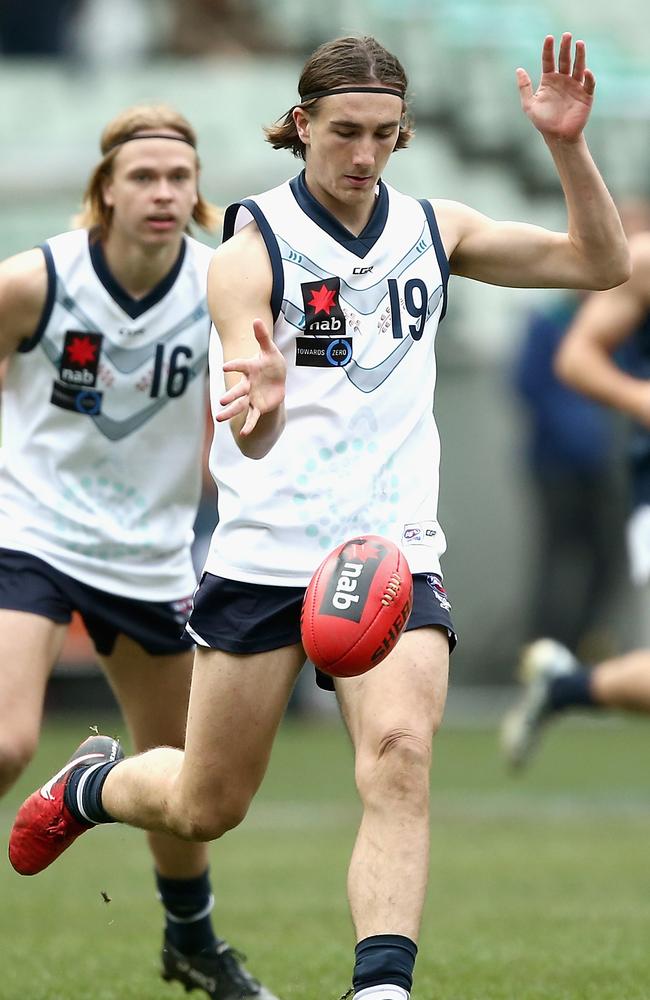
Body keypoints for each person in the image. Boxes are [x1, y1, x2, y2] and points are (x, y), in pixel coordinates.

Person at [9, 34, 630, 1000]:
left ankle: (380, 988)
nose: (364, 154)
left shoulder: (437, 228)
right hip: (264, 557)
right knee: (207, 803)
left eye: (385, 134)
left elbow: (597, 265)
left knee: (401, 757)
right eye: (344, 131)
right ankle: (94, 785)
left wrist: (565, 146)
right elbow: (245, 444)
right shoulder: (247, 250)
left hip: (389, 554)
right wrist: (258, 399)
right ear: (302, 126)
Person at [0, 104, 276, 1000]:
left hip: (153, 556)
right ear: (104, 191)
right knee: (6, 743)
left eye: (178, 179)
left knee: (187, 784)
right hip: (32, 530)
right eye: (143, 179)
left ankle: (190, 942)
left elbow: (254, 410)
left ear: (198, 193)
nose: (162, 193)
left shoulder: (217, 284)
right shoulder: (36, 280)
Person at [501, 225, 650, 770]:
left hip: (602, 466)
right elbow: (571, 363)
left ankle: (565, 683)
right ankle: (559, 669)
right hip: (594, 468)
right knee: (565, 562)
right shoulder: (643, 261)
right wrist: (640, 398)